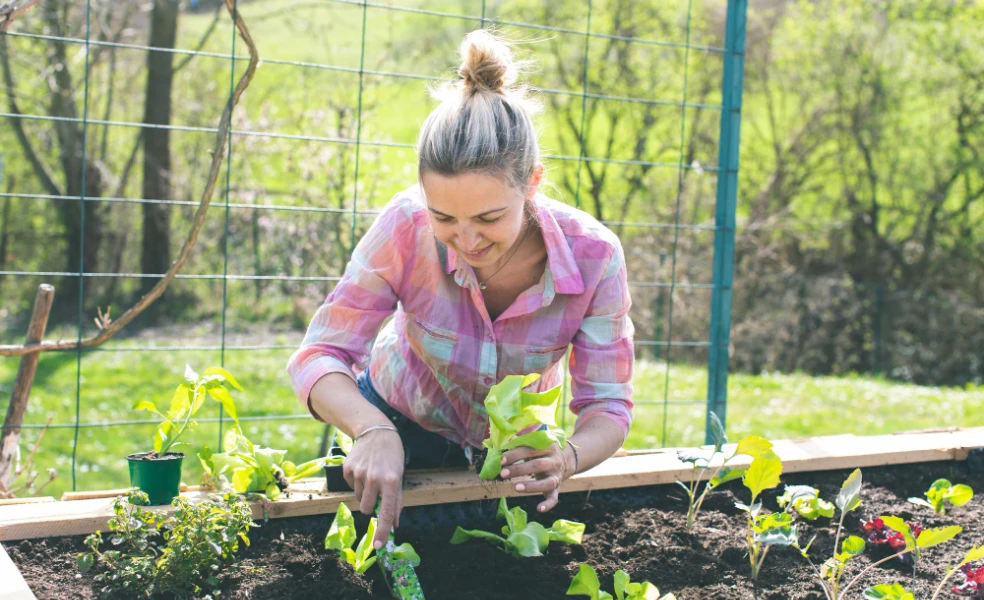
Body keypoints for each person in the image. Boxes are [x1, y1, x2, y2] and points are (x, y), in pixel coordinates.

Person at [287, 30, 634, 550]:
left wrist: (567, 458)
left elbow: (608, 405)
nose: (466, 240)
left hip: (511, 461)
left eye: (490, 217)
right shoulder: (404, 226)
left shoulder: (595, 258)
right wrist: (371, 430)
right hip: (396, 428)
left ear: (533, 183)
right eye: (444, 216)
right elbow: (319, 355)